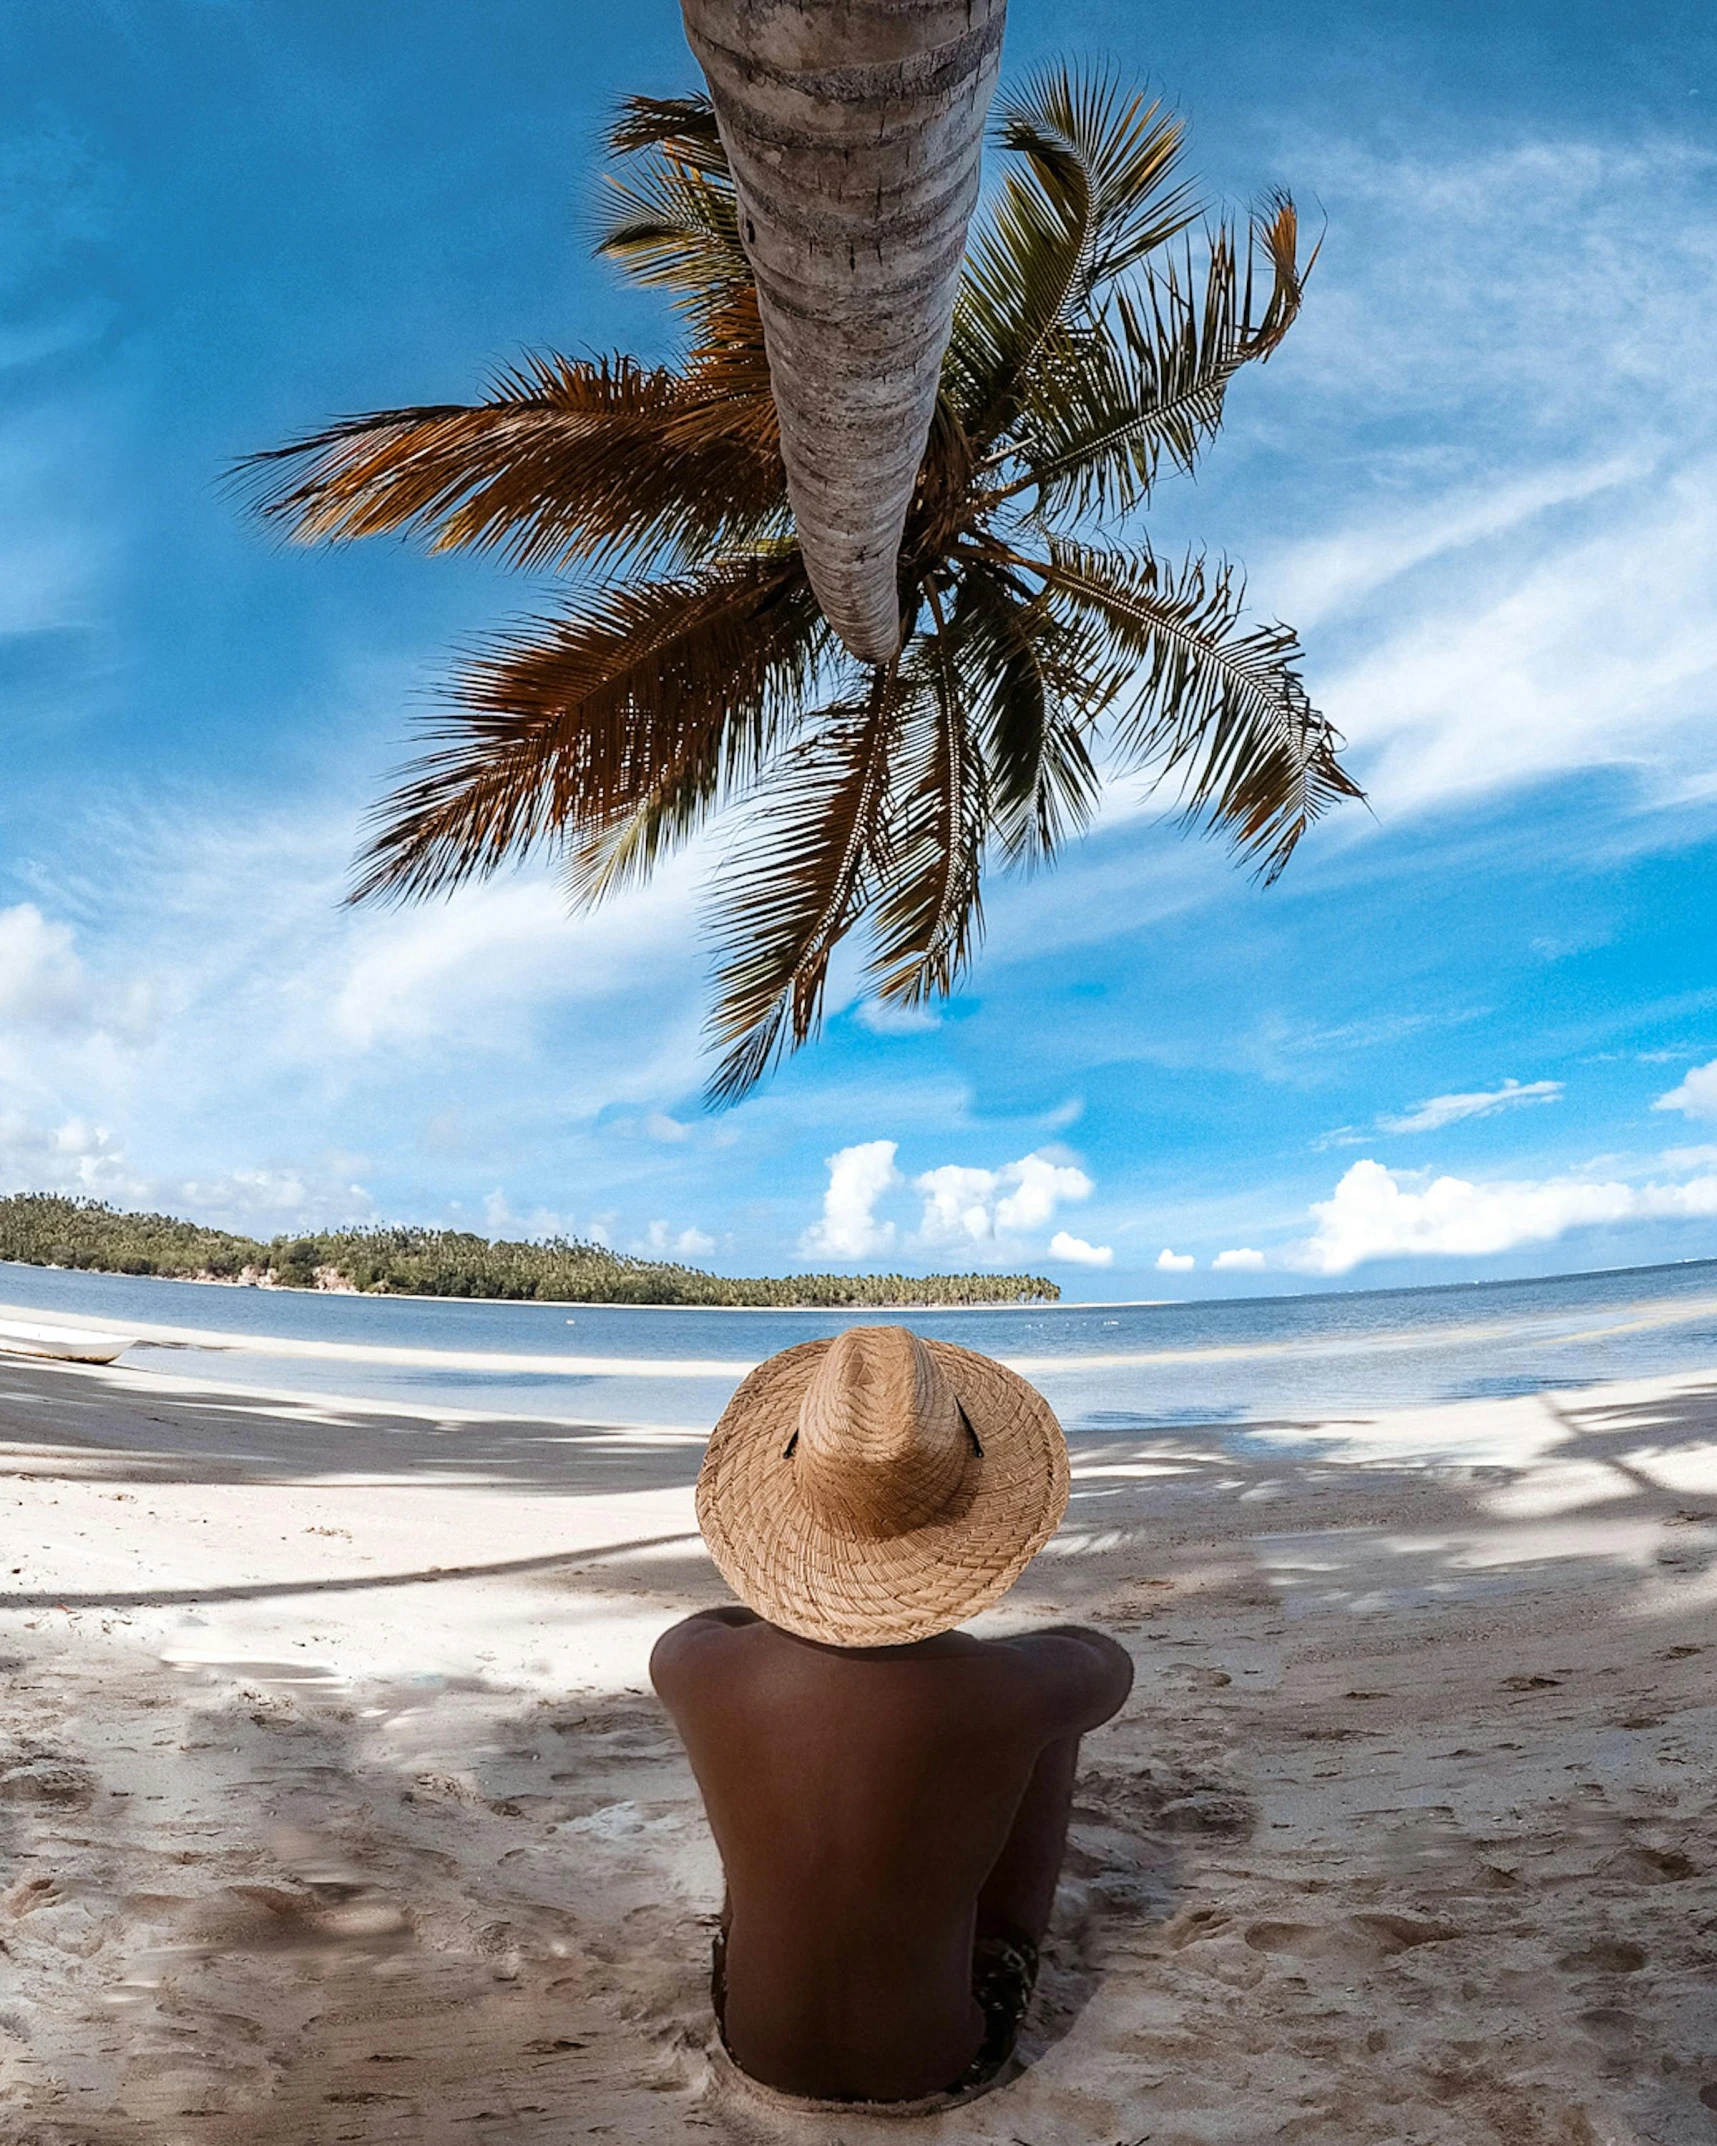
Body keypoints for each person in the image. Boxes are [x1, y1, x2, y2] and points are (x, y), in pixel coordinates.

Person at [651, 1325, 1133, 2109]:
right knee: (1045, 1728)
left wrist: (798, 1610)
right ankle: (998, 1944)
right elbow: (1103, 1662)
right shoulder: (1010, 1686)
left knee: (769, 1771)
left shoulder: (692, 1662)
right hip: (942, 2061)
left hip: (750, 2044)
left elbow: (713, 1620)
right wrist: (993, 1662)